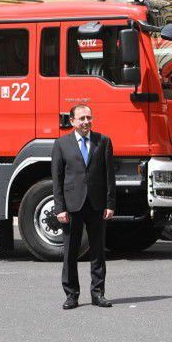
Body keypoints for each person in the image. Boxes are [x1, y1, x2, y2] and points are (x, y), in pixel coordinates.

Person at [52, 104, 115, 310]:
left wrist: (110, 204)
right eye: (82, 118)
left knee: (98, 251)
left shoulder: (103, 141)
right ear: (72, 121)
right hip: (72, 205)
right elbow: (57, 178)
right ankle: (71, 295)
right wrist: (60, 208)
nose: (86, 122)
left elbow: (109, 176)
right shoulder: (61, 144)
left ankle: (98, 294)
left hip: (97, 204)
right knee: (70, 252)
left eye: (89, 117)